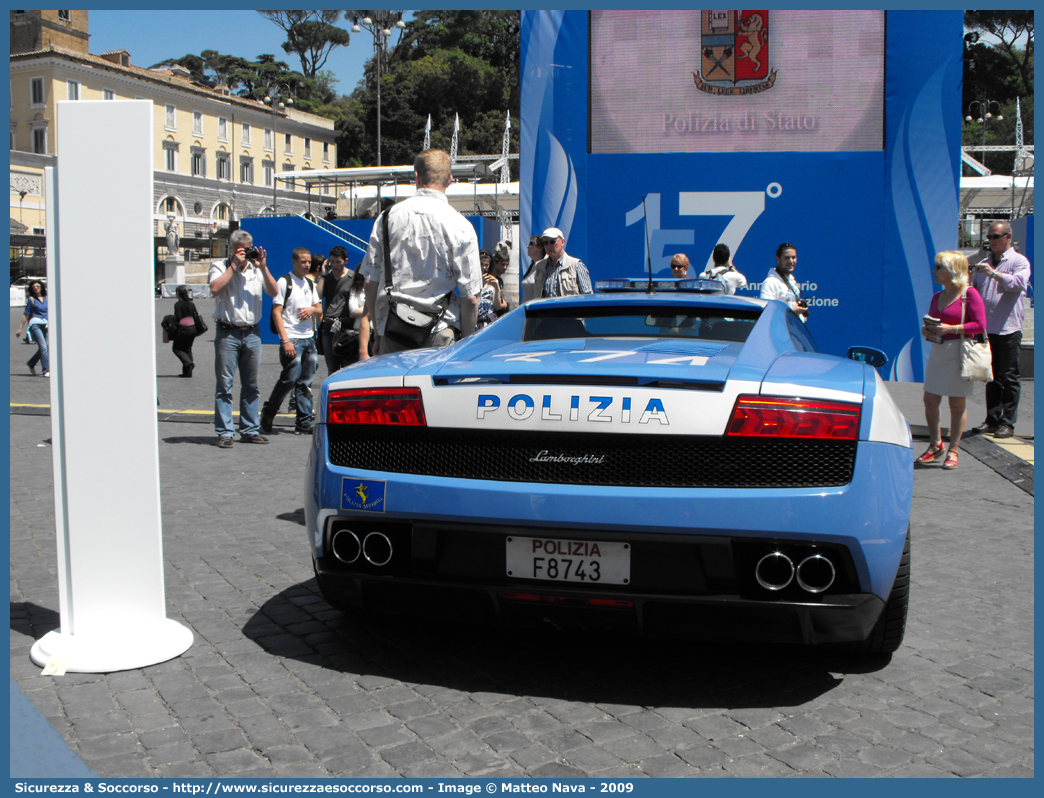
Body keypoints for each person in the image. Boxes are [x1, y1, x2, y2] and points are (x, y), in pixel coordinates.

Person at [358, 148, 481, 359]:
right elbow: (470, 297)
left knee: (393, 392)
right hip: (440, 333)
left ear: (416, 176)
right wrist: (467, 345)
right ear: (449, 180)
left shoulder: (387, 218)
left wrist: (378, 334)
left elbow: (370, 282)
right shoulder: (462, 225)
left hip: (394, 332)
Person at [208, 229, 279, 448]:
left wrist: (264, 267)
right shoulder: (220, 267)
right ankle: (225, 432)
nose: (244, 254)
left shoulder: (256, 269)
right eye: (240, 250)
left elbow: (274, 291)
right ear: (231, 249)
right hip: (227, 332)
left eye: (247, 249)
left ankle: (249, 429)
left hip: (252, 333)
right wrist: (233, 267)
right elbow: (214, 289)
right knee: (225, 385)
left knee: (251, 385)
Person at [917, 251, 987, 471]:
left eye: (939, 267)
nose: (934, 271)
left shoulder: (969, 294)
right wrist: (927, 330)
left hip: (960, 353)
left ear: (952, 270)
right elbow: (933, 324)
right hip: (938, 352)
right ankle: (935, 444)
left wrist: (952, 328)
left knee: (956, 404)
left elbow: (980, 325)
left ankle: (953, 449)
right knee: (930, 400)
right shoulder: (937, 297)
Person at [970, 221, 1032, 439]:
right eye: (988, 237)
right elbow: (974, 293)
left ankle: (1007, 423)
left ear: (1008, 237)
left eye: (995, 236)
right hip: (988, 329)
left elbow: (1017, 284)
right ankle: (992, 420)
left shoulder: (1019, 261)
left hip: (1008, 329)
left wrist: (993, 274)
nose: (991, 241)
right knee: (991, 377)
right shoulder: (985, 263)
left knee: (1009, 377)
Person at [260, 247, 323, 435]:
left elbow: (319, 309)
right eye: (303, 261)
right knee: (290, 378)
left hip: (308, 338)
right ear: (294, 262)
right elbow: (276, 312)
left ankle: (303, 421)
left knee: (306, 381)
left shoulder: (310, 284)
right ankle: (269, 411)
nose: (307, 265)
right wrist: (285, 340)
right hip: (292, 338)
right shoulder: (284, 282)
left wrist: (312, 310)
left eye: (309, 262)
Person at [317, 245, 367, 373]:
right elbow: (318, 295)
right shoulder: (326, 277)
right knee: (332, 367)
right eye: (332, 261)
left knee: (347, 366)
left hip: (346, 326)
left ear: (345, 261)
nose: (335, 265)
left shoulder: (352, 277)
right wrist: (323, 276)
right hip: (328, 326)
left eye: (338, 262)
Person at [524, 227, 593, 301]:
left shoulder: (576, 265)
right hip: (546, 311)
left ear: (563, 242)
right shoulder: (540, 266)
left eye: (552, 242)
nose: (549, 246)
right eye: (545, 243)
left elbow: (588, 297)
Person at [760, 242, 808, 319]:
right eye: (787, 258)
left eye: (793, 257)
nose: (791, 261)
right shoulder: (770, 283)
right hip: (777, 329)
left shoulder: (792, 281)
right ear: (777, 259)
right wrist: (792, 310)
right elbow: (766, 312)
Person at [14, 280, 48, 377]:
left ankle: (31, 363)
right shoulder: (31, 300)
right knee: (43, 347)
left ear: (41, 287)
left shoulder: (46, 299)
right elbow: (26, 314)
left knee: (45, 347)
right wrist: (20, 328)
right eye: (33, 287)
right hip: (35, 325)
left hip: (45, 325)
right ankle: (46, 370)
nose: (36, 288)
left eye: (37, 286)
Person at [172, 285, 198, 377]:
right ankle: (187, 373)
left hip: (183, 329)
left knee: (177, 349)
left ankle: (189, 363)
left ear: (178, 294)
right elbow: (196, 316)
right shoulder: (191, 303)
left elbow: (178, 318)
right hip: (193, 329)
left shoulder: (178, 304)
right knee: (187, 349)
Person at [520, 235, 546, 303]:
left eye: (531, 244)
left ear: (540, 248)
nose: (528, 246)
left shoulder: (544, 268)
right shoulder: (532, 267)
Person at [491, 240, 515, 314]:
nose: (505, 267)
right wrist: (504, 305)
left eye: (506, 265)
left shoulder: (500, 280)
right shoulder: (490, 279)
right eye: (502, 264)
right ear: (495, 263)